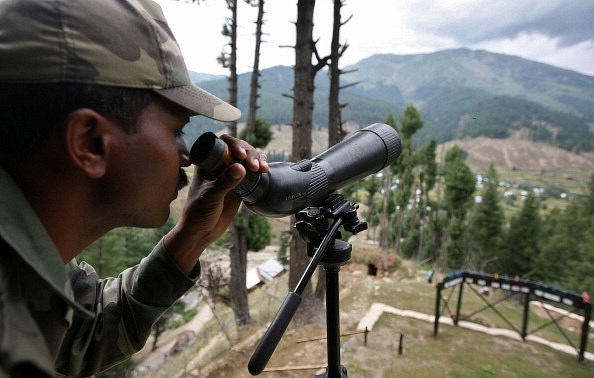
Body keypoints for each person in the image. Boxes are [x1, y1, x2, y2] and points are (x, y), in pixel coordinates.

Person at [0, 0, 269, 376]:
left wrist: (190, 237)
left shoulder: (24, 268)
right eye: (176, 130)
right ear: (90, 143)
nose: (187, 156)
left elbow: (83, 334)